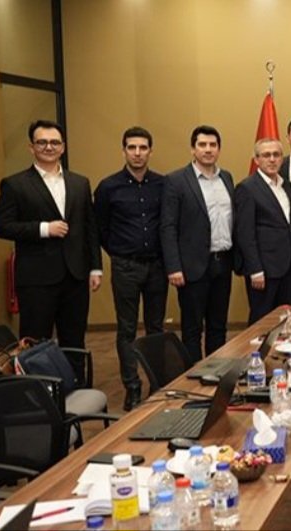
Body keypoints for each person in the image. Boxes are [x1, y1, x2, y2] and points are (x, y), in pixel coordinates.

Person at [0, 120, 101, 350]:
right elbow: (2, 226)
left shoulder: (80, 183)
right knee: (35, 346)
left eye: (54, 142)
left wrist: (95, 268)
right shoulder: (15, 184)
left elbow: (90, 228)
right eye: (42, 142)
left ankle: (75, 376)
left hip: (75, 277)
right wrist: (43, 228)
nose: (49, 147)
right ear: (31, 147)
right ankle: (37, 378)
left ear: (63, 147)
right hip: (36, 280)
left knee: (75, 343)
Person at [93, 126, 166, 410]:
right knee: (126, 329)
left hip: (157, 266)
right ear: (123, 150)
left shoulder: (162, 184)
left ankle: (157, 384)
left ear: (150, 151)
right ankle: (132, 387)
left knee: (156, 328)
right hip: (125, 266)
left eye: (143, 148)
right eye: (132, 147)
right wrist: (118, 251)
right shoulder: (108, 187)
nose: (137, 153)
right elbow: (100, 229)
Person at [161, 125, 234, 362]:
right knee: (192, 330)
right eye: (202, 145)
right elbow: (168, 226)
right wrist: (173, 267)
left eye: (213, 145)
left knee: (218, 326)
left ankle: (216, 372)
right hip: (192, 266)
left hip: (223, 262)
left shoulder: (226, 178)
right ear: (193, 149)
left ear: (219, 149)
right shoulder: (176, 180)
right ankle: (192, 376)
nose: (208, 149)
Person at [233, 139, 291, 325]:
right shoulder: (247, 188)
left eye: (276, 155)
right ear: (256, 159)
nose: (272, 159)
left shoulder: (286, 185)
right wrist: (255, 269)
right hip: (264, 269)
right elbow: (245, 234)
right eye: (266, 155)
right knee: (261, 323)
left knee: (285, 322)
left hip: (288, 267)